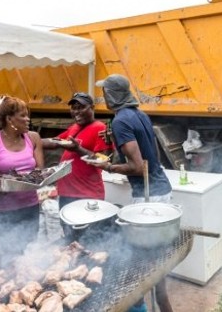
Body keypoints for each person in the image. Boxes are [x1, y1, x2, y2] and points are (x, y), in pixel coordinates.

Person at [92, 74, 173, 312]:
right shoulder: (139, 114)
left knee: (145, 268)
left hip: (148, 195)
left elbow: (139, 167)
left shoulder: (120, 121)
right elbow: (152, 156)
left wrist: (107, 166)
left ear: (113, 95)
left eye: (105, 92)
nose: (103, 96)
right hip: (162, 188)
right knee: (157, 266)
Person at [0, 96, 44, 269]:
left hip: (31, 206)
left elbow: (40, 172)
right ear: (9, 119)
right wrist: (8, 184)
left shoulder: (33, 137)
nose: (28, 119)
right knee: (8, 255)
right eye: (23, 116)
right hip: (5, 210)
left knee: (29, 252)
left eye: (27, 115)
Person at [42, 92, 112, 237]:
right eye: (74, 108)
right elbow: (55, 142)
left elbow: (103, 160)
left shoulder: (99, 128)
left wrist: (77, 149)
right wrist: (28, 140)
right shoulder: (74, 128)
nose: (76, 112)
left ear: (92, 107)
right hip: (67, 193)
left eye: (81, 107)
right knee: (69, 238)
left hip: (87, 195)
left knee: (89, 238)